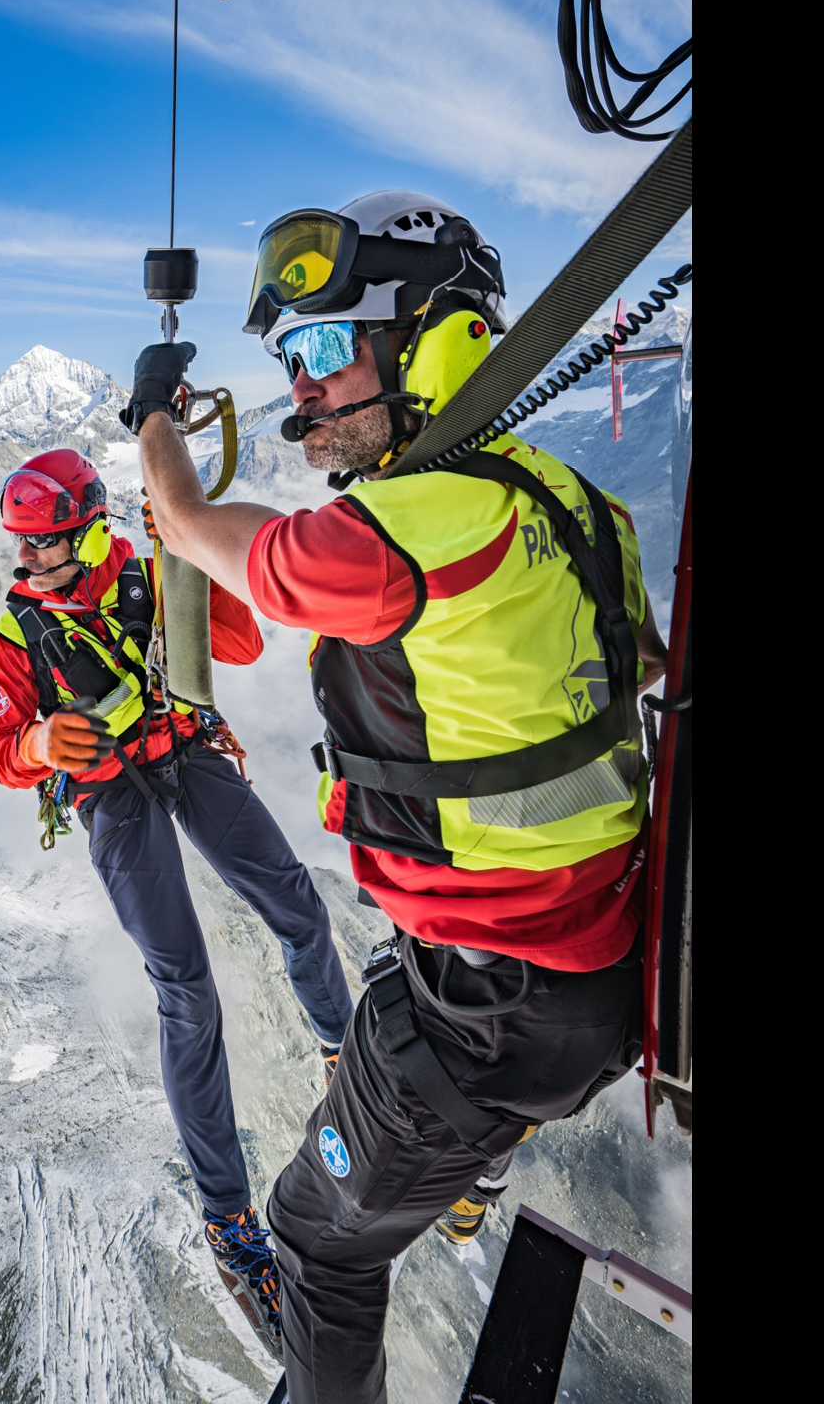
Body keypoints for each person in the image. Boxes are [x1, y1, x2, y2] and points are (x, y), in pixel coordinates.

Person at [118, 194, 669, 1404]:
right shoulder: (582, 509)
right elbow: (626, 676)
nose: (300, 390)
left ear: (428, 342)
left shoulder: (389, 533)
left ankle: (456, 1156)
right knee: (377, 999)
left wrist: (152, 408)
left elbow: (182, 520)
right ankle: (467, 1162)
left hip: (493, 1013)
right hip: (594, 972)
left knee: (311, 1242)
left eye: (322, 350)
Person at [0, 446, 355, 1356]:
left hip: (180, 749)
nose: (23, 561)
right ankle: (229, 1221)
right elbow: (2, 751)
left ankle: (343, 1048)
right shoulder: (16, 634)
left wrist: (185, 561)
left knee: (296, 907)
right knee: (185, 990)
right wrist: (40, 743)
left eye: (38, 545)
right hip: (110, 791)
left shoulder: (145, 573)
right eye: (21, 548)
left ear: (81, 529)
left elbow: (239, 642)